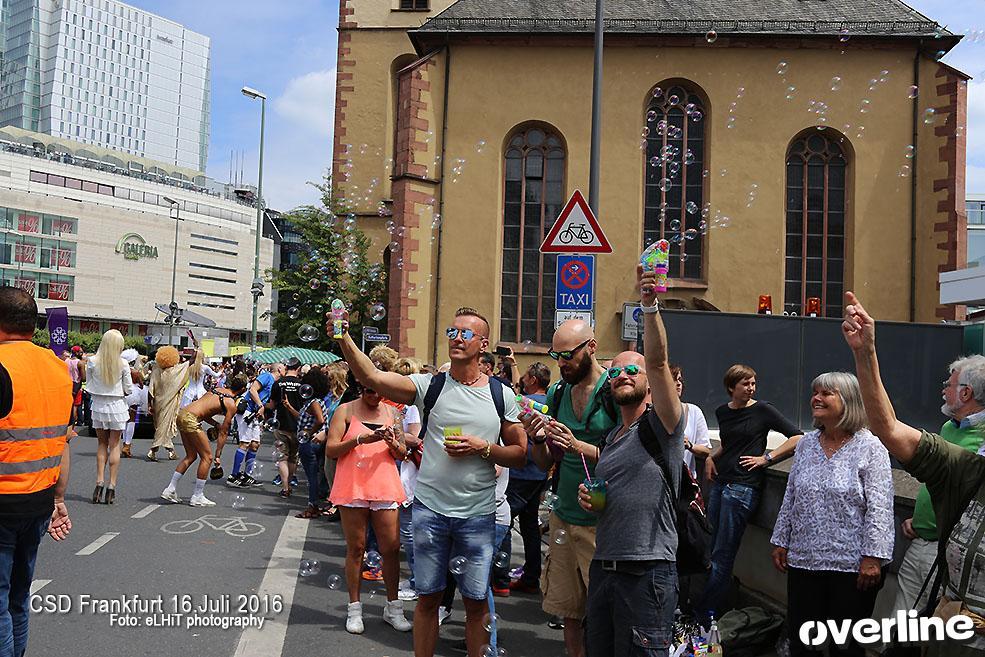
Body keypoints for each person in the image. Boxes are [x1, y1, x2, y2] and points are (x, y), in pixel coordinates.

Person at [329, 305, 526, 657]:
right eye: (452, 332)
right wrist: (343, 337)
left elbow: (519, 452)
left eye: (466, 333)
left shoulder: (501, 395)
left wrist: (484, 449)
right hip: (430, 513)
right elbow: (373, 376)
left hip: (477, 515)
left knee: (477, 602)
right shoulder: (430, 386)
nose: (456, 338)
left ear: (483, 344)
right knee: (428, 600)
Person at [843, 291, 985, 656]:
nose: (943, 389)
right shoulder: (969, 465)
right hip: (950, 609)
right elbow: (888, 428)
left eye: (950, 384)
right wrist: (865, 352)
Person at [576, 285, 684, 657]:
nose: (623, 374)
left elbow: (657, 361)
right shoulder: (611, 438)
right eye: (616, 371)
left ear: (650, 385)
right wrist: (593, 501)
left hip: (647, 570)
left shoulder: (662, 426)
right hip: (605, 565)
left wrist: (649, 305)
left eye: (632, 370)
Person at [769, 372, 894, 657]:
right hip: (804, 561)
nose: (816, 398)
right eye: (815, 392)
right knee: (803, 642)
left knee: (845, 645)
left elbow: (880, 507)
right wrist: (781, 539)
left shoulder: (871, 447)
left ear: (848, 401)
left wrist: (873, 556)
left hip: (852, 568)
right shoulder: (806, 445)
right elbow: (792, 494)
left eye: (826, 393)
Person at [524, 319, 619, 657]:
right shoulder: (557, 392)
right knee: (569, 611)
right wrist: (536, 438)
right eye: (556, 355)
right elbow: (542, 460)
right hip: (564, 514)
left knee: (605, 613)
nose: (561, 363)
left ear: (591, 347)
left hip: (603, 520)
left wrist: (580, 446)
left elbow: (630, 456)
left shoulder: (614, 390)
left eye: (567, 355)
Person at [696, 364, 802, 622]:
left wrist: (767, 458)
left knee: (723, 553)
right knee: (709, 548)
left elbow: (798, 436)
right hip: (721, 484)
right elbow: (730, 444)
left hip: (742, 488)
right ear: (731, 387)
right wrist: (711, 456)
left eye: (753, 383)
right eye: (745, 384)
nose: (751, 388)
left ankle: (704, 616)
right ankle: (708, 610)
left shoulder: (763, 410)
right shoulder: (723, 411)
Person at [0, 286, 73, 657]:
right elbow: (63, 442)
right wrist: (59, 498)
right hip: (40, 501)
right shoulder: (58, 367)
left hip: (4, 500)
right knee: (17, 598)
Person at [893, 356, 985, 615]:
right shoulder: (948, 427)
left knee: (934, 632)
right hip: (920, 541)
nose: (943, 389)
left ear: (966, 392)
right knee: (900, 629)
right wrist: (921, 518)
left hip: (950, 553)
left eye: (949, 384)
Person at [326, 382, 412, 634]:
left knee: (391, 548)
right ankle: (354, 609)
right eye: (369, 391)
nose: (375, 396)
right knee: (357, 548)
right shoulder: (345, 411)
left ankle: (393, 608)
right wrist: (359, 439)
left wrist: (393, 443)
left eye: (379, 391)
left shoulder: (393, 413)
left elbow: (402, 453)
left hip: (384, 484)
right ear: (360, 390)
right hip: (353, 485)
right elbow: (331, 449)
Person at [161, 374, 247, 507]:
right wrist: (218, 456)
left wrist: (215, 424)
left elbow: (203, 412)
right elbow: (224, 432)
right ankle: (197, 496)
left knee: (190, 456)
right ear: (242, 389)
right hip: (191, 419)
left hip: (183, 414)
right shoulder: (231, 404)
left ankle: (170, 489)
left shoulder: (215, 390)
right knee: (207, 457)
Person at [505, 362, 552, 595]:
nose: (522, 379)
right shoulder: (552, 402)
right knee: (530, 525)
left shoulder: (522, 403)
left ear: (533, 379)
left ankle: (498, 576)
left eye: (525, 375)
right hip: (540, 472)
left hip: (521, 471)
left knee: (502, 521)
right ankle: (532, 575)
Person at [86, 329, 133, 504]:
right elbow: (128, 389)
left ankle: (99, 481)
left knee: (101, 444)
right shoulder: (123, 364)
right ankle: (112, 485)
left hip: (98, 405)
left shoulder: (92, 361)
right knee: (114, 445)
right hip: (117, 406)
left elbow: (89, 385)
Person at [393, 357, 424, 601]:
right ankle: (416, 578)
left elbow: (414, 438)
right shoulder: (396, 404)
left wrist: (390, 432)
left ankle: (417, 582)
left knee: (410, 531)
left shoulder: (411, 406)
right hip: (398, 469)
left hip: (408, 472)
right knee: (405, 530)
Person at [293, 368, 335, 518]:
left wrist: (308, 433)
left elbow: (320, 420)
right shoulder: (316, 401)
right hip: (315, 441)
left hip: (310, 442)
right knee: (316, 474)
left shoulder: (314, 402)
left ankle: (312, 506)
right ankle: (315, 503)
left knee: (311, 475)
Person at [227, 363, 275, 487]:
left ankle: (247, 475)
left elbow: (268, 404)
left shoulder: (274, 384)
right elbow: (253, 390)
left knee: (255, 444)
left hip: (254, 414)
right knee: (245, 443)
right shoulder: (267, 376)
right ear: (280, 370)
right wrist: (260, 406)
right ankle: (233, 475)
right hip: (247, 411)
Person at [147, 346, 190, 462]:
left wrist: (149, 405)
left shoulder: (156, 371)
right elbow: (190, 362)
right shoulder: (175, 371)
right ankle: (152, 450)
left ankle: (171, 451)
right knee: (163, 427)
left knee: (162, 426)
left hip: (157, 404)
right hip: (168, 404)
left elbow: (150, 391)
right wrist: (195, 348)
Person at [269, 357, 303, 495]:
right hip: (297, 425)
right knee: (293, 457)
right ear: (299, 369)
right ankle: (290, 482)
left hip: (280, 424)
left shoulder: (278, 383)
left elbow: (271, 405)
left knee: (282, 457)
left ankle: (285, 488)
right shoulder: (302, 384)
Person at [671, 365, 712, 480]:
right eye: (673, 379)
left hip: (685, 482)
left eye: (680, 380)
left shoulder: (694, 411)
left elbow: (706, 450)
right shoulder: (651, 413)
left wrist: (689, 445)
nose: (678, 383)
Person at [120, 350, 147, 459]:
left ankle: (124, 443)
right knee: (131, 420)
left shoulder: (120, 371)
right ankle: (127, 445)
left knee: (123, 420)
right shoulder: (135, 372)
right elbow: (141, 385)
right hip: (133, 395)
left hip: (121, 394)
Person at [67, 345, 85, 425]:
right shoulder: (80, 363)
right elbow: (84, 378)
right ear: (77, 352)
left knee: (68, 406)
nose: (81, 353)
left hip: (67, 385)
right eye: (80, 352)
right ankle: (72, 426)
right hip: (77, 387)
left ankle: (67, 423)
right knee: (75, 406)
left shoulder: (66, 361)